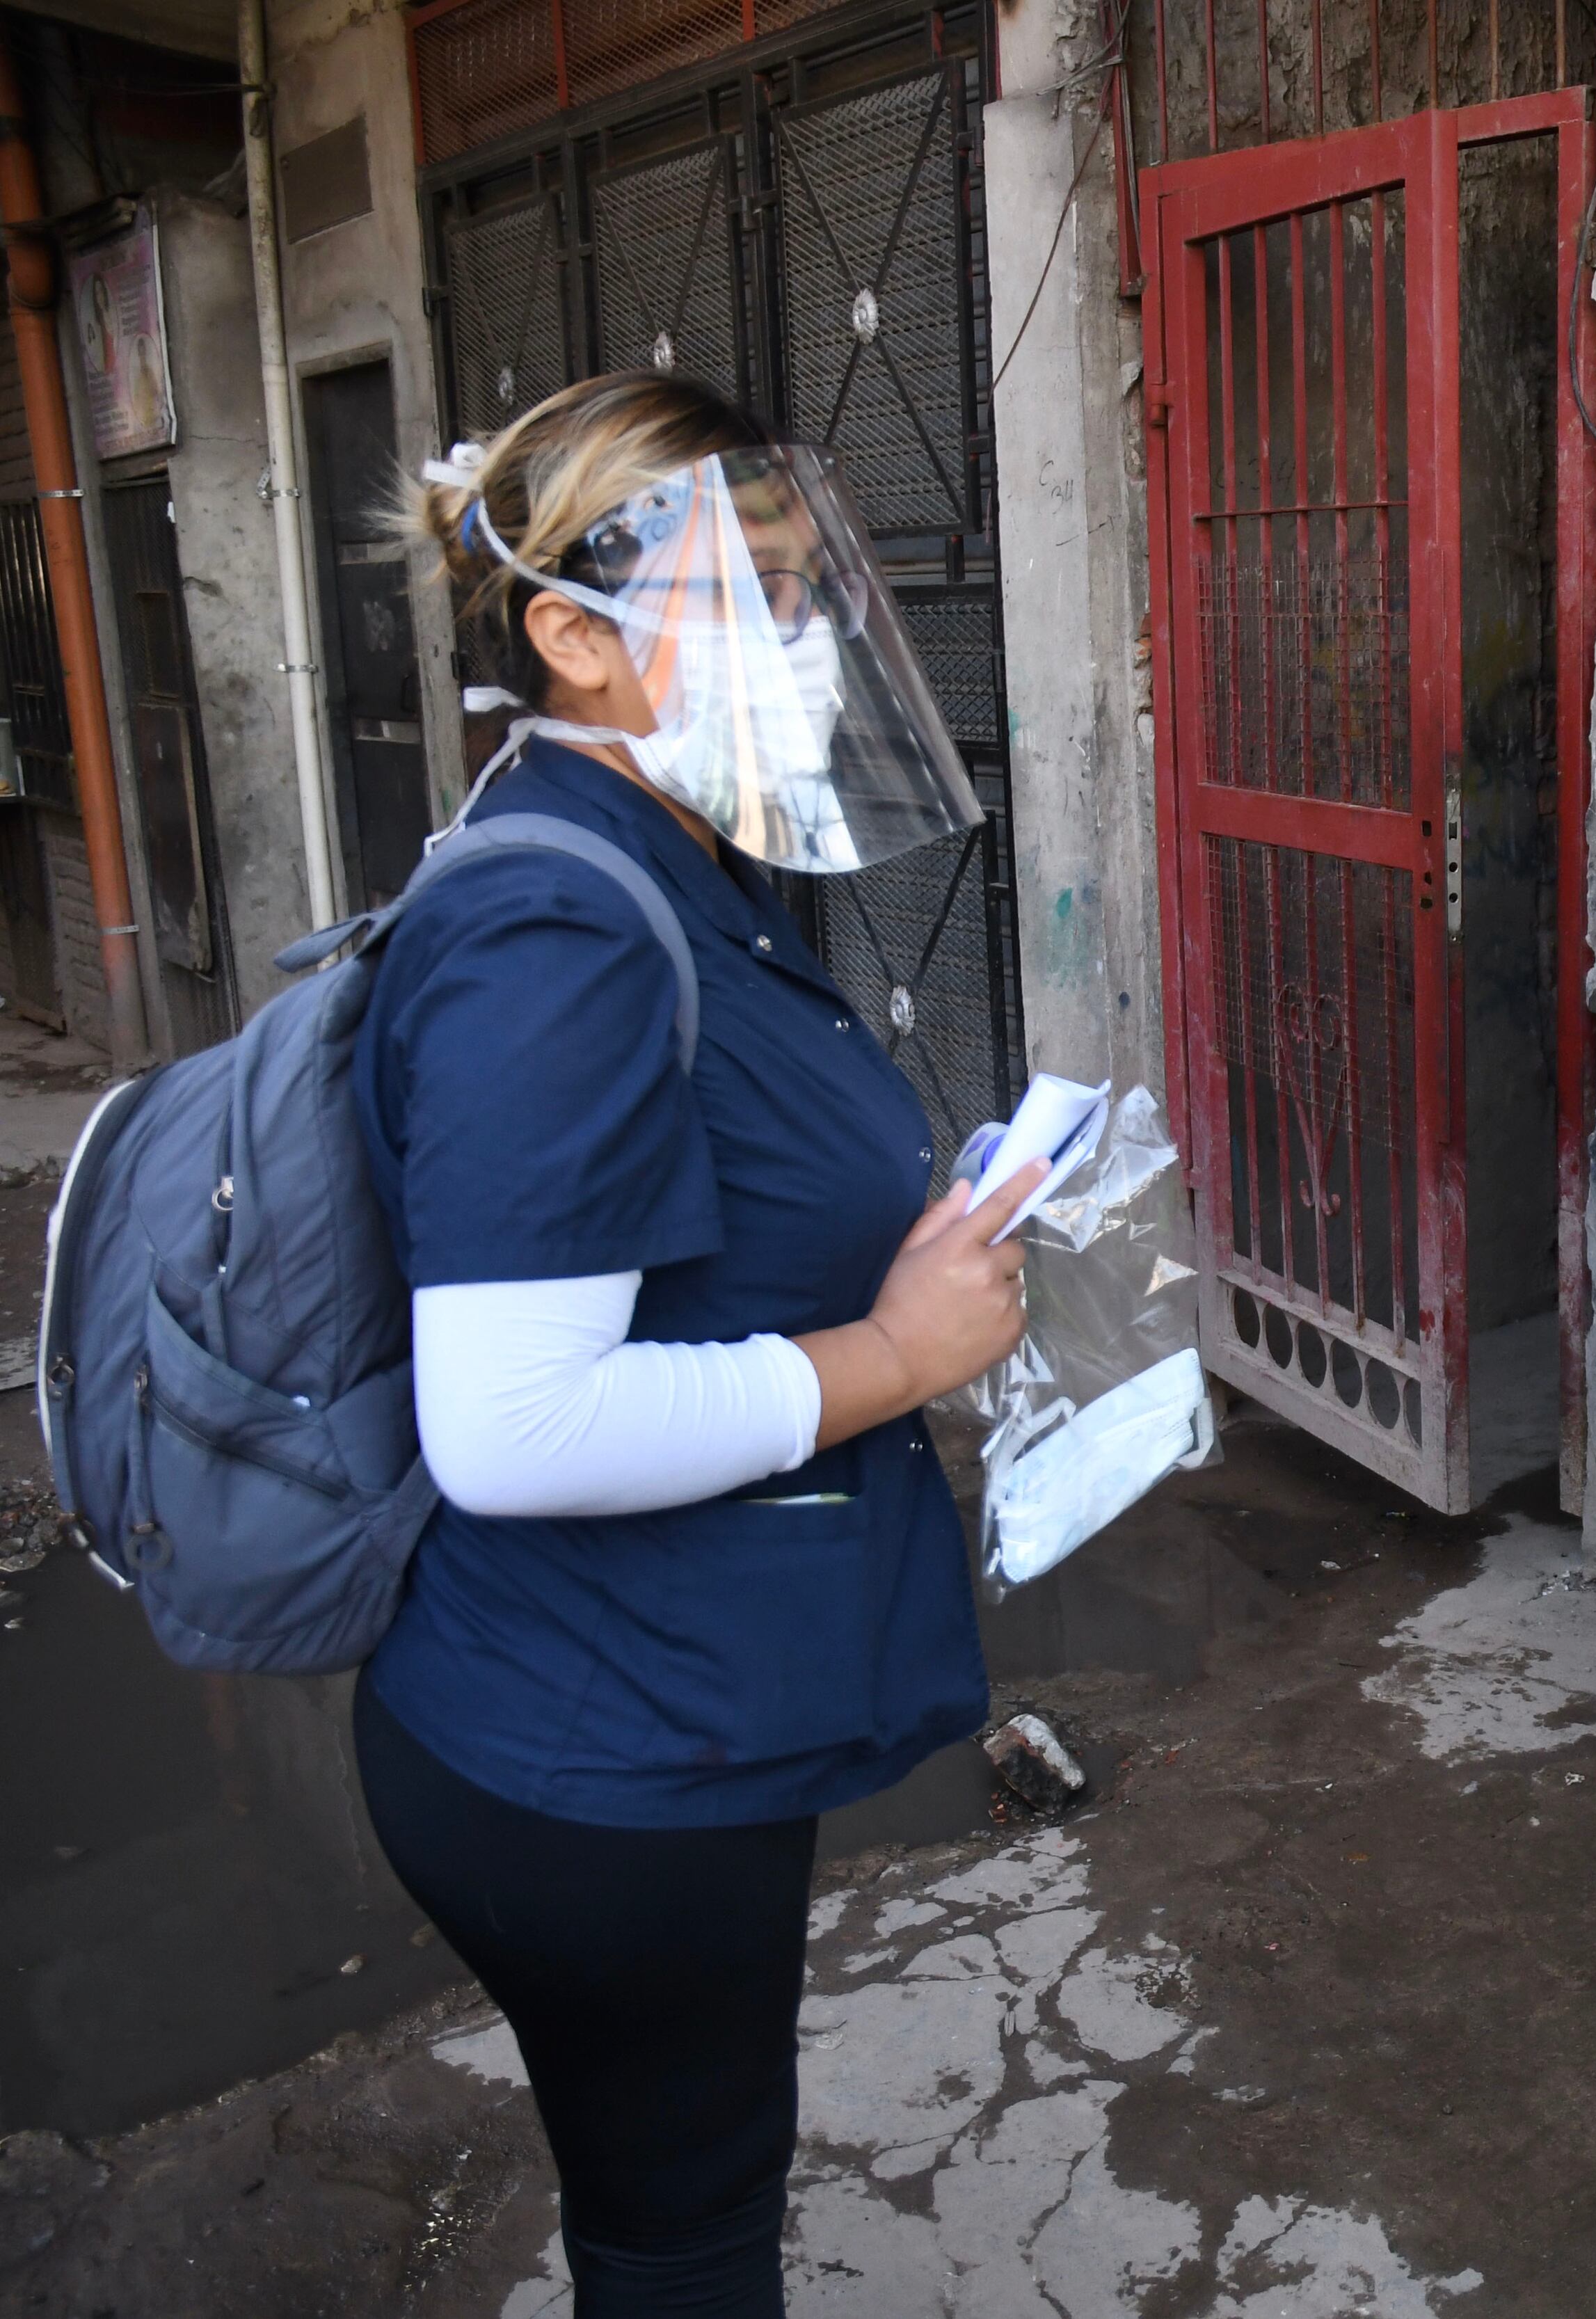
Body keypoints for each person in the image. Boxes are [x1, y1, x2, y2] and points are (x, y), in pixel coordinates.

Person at [356, 372, 1048, 2312]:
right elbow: (509, 1422)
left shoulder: (666, 842)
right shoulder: (559, 930)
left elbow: (690, 1221)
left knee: (668, 2199)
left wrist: (902, 1239)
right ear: (572, 638)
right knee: (682, 2237)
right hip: (596, 1755)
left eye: (813, 587)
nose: (805, 636)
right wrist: (895, 1353)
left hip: (654, 1705)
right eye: (752, 591)